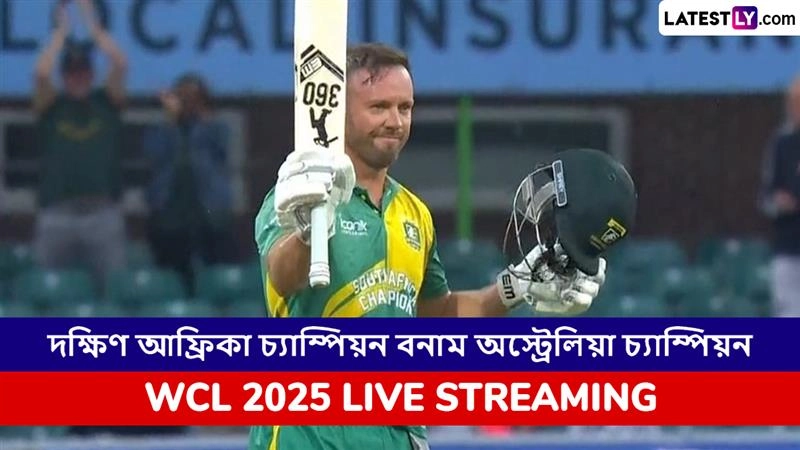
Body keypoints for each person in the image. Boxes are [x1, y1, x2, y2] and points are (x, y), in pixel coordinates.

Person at [250, 43, 637, 450]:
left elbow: (437, 315)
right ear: (340, 113)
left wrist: (518, 286)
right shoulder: (298, 196)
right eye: (379, 107)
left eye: (405, 107)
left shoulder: (413, 213)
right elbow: (283, 277)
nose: (395, 121)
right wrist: (310, 225)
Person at [31, 0, 128, 292]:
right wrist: (61, 33)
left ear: (91, 73)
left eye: (83, 71)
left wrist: (92, 27)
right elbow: (41, 74)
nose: (78, 77)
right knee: (48, 289)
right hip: (57, 213)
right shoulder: (52, 108)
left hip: (102, 213)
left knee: (113, 287)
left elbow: (120, 64)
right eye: (72, 72)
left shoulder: (105, 103)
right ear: (64, 76)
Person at [142, 73, 237, 294]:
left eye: (194, 98)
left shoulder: (214, 127)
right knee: (171, 274)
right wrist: (171, 119)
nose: (188, 103)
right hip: (170, 216)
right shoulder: (164, 129)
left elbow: (222, 148)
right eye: (183, 97)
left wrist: (202, 116)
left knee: (217, 271)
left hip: (210, 215)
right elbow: (153, 153)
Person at [759, 74, 800, 317]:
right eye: (794, 104)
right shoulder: (781, 144)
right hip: (788, 250)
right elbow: (765, 197)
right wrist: (778, 203)